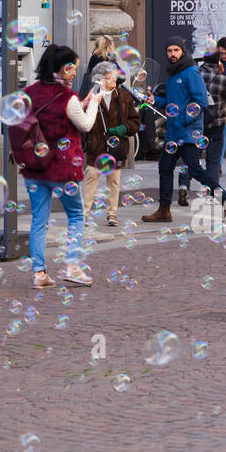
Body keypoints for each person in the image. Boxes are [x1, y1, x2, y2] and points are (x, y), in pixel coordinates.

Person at [19, 44, 101, 289]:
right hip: (63, 169)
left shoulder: (30, 92)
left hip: (34, 167)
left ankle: (40, 274)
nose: (74, 72)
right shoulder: (67, 97)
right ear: (58, 69)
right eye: (70, 67)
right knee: (76, 215)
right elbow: (85, 125)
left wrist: (81, 103)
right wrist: (94, 102)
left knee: (38, 220)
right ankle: (73, 267)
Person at [150, 37, 226, 222]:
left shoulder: (191, 72)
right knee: (165, 167)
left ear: (183, 51)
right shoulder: (173, 73)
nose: (172, 54)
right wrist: (154, 100)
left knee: (194, 169)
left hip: (188, 132)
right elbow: (171, 102)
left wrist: (183, 119)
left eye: (176, 50)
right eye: (169, 51)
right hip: (174, 131)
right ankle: (164, 210)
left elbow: (201, 101)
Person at [79, 60, 141, 232]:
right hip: (96, 147)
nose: (112, 80)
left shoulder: (124, 96)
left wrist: (123, 129)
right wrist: (84, 142)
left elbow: (135, 121)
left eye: (114, 77)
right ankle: (84, 214)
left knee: (114, 182)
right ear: (100, 79)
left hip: (116, 148)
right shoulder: (92, 97)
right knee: (91, 179)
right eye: (108, 77)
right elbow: (83, 121)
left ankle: (112, 214)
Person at [181, 48, 226, 197]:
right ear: (219, 60)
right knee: (213, 161)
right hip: (216, 124)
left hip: (195, 123)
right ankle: (212, 193)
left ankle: (183, 186)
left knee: (190, 158)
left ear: (203, 60)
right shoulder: (224, 78)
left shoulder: (194, 75)